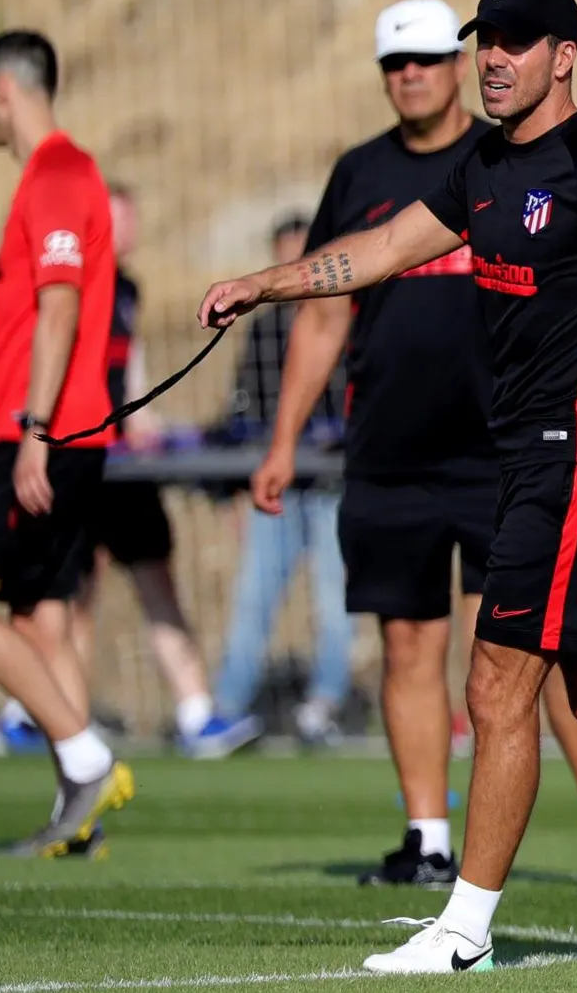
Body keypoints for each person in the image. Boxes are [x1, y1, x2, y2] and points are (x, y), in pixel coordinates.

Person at [199, 0, 577, 972]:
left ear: (564, 54)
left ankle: (465, 930)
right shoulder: (480, 162)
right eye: (487, 40)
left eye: (516, 42)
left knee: (495, 680)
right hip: (528, 459)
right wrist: (267, 284)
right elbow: (384, 248)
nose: (493, 58)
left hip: (575, 460)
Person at [252, 0, 577, 890]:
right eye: (394, 64)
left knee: (544, 650)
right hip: (392, 450)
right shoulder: (377, 171)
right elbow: (337, 300)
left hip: (511, 450)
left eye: (431, 58)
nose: (414, 75)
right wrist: (283, 430)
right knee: (415, 646)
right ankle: (430, 840)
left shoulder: (547, 162)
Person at [0, 29, 134, 855]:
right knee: (43, 619)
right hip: (33, 427)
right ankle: (75, 814)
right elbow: (22, 325)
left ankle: (89, 762)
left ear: (1, 87)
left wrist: (32, 435)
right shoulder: (53, 177)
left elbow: (59, 310)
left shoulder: (54, 174)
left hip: (45, 434)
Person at [65, 184, 228, 759]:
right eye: (115, 222)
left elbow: (128, 375)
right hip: (79, 462)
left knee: (155, 574)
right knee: (73, 593)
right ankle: (57, 716)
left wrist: (148, 423)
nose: (125, 233)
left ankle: (196, 712)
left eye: (129, 222)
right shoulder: (69, 288)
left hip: (121, 468)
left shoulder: (129, 289)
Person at [201, 214, 356, 753]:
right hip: (281, 485)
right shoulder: (265, 329)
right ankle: (223, 711)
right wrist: (232, 494)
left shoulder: (344, 317)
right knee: (254, 599)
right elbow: (243, 411)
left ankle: (324, 705)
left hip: (333, 484)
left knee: (337, 599)